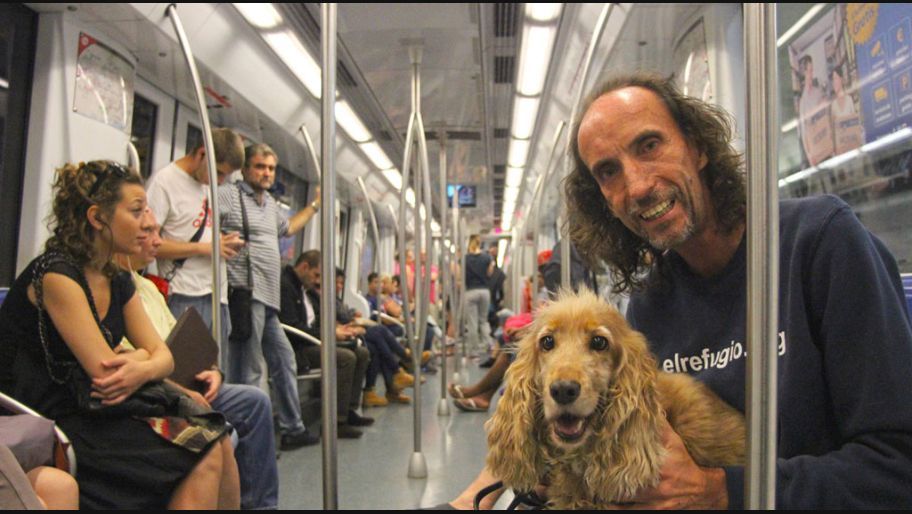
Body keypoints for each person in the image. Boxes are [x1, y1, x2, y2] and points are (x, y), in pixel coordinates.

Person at [564, 72, 912, 508]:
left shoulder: (820, 243)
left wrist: (725, 491)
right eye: (608, 172)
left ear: (698, 147)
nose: (636, 185)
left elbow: (898, 467)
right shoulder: (650, 307)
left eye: (649, 146)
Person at [0, 161, 238, 509]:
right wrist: (146, 358)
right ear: (98, 218)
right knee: (202, 451)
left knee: (216, 436)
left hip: (98, 407)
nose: (146, 223)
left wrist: (141, 363)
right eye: (137, 210)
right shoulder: (56, 275)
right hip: (54, 415)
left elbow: (164, 356)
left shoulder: (117, 278)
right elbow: (106, 372)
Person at [114, 208, 280, 510]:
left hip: (184, 383)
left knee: (255, 402)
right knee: (218, 436)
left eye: (157, 232)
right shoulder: (115, 292)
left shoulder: (148, 287)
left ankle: (260, 506)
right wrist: (180, 392)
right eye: (149, 233)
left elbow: (180, 343)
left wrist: (212, 371)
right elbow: (133, 362)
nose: (157, 241)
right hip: (157, 393)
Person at [218, 143, 320, 450]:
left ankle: (293, 428)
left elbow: (288, 228)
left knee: (284, 359)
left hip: (268, 298)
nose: (266, 173)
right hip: (245, 293)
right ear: (245, 169)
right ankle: (247, 440)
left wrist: (315, 206)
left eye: (271, 168)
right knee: (249, 370)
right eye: (260, 167)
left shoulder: (269, 204)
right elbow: (210, 220)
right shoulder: (229, 195)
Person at [145, 127, 246, 369]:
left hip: (216, 293)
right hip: (184, 293)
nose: (220, 181)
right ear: (202, 154)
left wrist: (222, 243)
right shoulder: (164, 183)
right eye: (219, 172)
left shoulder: (207, 185)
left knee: (216, 375)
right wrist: (207, 249)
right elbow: (150, 245)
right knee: (185, 372)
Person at [278, 250, 373, 438]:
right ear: (304, 267)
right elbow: (292, 327)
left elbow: (315, 319)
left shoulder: (305, 290)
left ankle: (350, 410)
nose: (318, 281)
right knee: (345, 358)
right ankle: (336, 421)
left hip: (313, 340)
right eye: (316, 275)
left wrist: (338, 330)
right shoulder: (286, 287)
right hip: (299, 348)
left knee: (361, 353)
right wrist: (329, 334)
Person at [349, 272, 411, 407]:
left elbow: (398, 311)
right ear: (369, 284)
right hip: (371, 329)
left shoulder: (382, 299)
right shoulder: (368, 300)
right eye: (376, 282)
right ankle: (402, 363)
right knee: (381, 333)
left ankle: (377, 390)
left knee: (378, 345)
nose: (380, 285)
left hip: (372, 330)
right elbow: (388, 316)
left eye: (382, 283)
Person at [463, 235, 494, 355]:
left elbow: (459, 275)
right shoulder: (487, 257)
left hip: (471, 291)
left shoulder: (465, 258)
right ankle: (490, 345)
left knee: (472, 322)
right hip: (484, 291)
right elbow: (490, 273)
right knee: (483, 321)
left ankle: (474, 351)